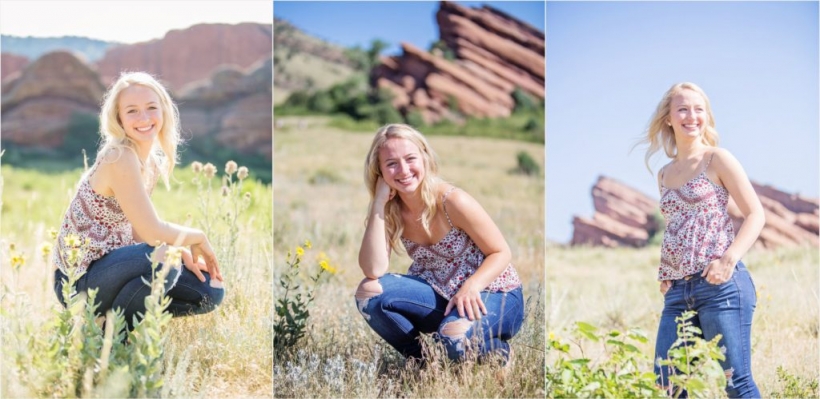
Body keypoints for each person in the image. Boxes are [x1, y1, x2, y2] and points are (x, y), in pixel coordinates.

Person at [53, 71, 225, 331]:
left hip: (114, 267)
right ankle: (110, 341)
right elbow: (152, 232)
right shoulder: (119, 156)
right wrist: (196, 237)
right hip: (76, 280)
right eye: (132, 110)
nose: (144, 118)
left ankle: (115, 322)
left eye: (151, 108)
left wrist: (177, 250)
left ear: (164, 111)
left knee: (210, 292)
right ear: (118, 117)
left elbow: (139, 232)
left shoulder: (150, 163)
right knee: (164, 259)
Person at [354, 123, 524, 367]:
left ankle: (496, 351)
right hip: (441, 294)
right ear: (379, 170)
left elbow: (501, 252)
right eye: (391, 163)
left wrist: (471, 286)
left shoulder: (452, 200)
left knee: (453, 336)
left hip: (494, 293)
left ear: (424, 158)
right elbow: (373, 270)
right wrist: (379, 203)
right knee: (368, 294)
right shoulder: (391, 210)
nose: (403, 170)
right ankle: (425, 362)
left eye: (410, 159)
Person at [641, 82, 765, 398]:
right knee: (668, 387)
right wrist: (667, 273)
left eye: (699, 110)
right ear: (668, 117)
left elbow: (755, 215)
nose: (691, 116)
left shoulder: (717, 159)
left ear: (706, 117)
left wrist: (728, 260)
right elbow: (677, 229)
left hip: (721, 287)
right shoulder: (664, 174)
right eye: (683, 109)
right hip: (678, 291)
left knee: (736, 383)